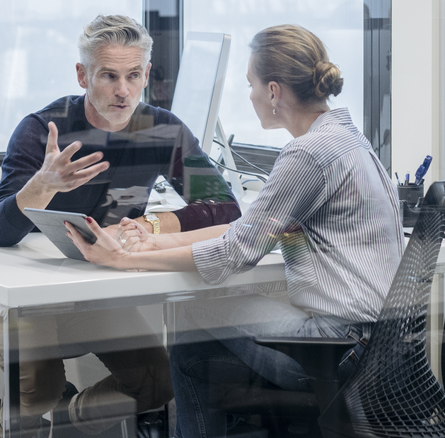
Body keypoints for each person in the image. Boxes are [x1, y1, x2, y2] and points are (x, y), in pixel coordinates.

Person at [66, 24, 403, 438]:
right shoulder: (345, 139)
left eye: (251, 85)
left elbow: (233, 254)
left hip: (339, 348)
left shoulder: (307, 153)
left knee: (190, 309)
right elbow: (248, 230)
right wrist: (158, 240)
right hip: (377, 346)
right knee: (193, 355)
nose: (250, 95)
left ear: (275, 92)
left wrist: (125, 258)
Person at [0, 14, 241, 437]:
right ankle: (36, 412)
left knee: (159, 379)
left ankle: (70, 420)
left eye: (133, 76)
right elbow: (0, 231)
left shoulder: (162, 128)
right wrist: (40, 186)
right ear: (83, 75)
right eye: (109, 76)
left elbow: (226, 208)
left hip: (89, 287)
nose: (123, 91)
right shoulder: (42, 130)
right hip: (19, 293)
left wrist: (152, 225)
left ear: (147, 75)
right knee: (38, 388)